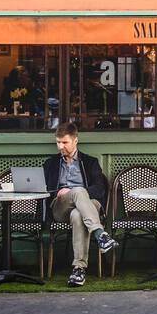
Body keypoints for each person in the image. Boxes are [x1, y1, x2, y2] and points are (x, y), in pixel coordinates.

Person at [42, 121, 117, 286]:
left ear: (75, 140)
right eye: (58, 142)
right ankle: (100, 235)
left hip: (88, 204)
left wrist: (78, 191)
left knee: (78, 213)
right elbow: (44, 191)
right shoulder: (51, 164)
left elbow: (99, 190)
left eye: (65, 142)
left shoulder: (90, 162)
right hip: (61, 207)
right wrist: (59, 193)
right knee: (76, 191)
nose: (61, 147)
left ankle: (78, 270)